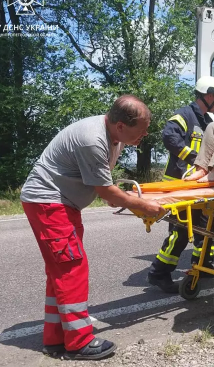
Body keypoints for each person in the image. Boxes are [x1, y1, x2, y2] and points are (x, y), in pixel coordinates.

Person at [20, 95, 165, 360]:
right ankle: (78, 343)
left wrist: (115, 197)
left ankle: (56, 339)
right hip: (50, 203)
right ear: (121, 125)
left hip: (63, 204)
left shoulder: (114, 138)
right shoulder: (93, 139)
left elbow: (102, 184)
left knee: (60, 271)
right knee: (72, 269)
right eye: (141, 129)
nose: (145, 134)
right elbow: (104, 189)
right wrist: (143, 206)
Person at [147, 76, 214, 293]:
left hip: (200, 187)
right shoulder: (184, 115)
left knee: (206, 226)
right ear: (208, 95)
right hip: (179, 184)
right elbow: (169, 137)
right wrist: (194, 158)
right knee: (181, 231)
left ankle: (203, 265)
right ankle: (159, 272)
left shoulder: (208, 123)